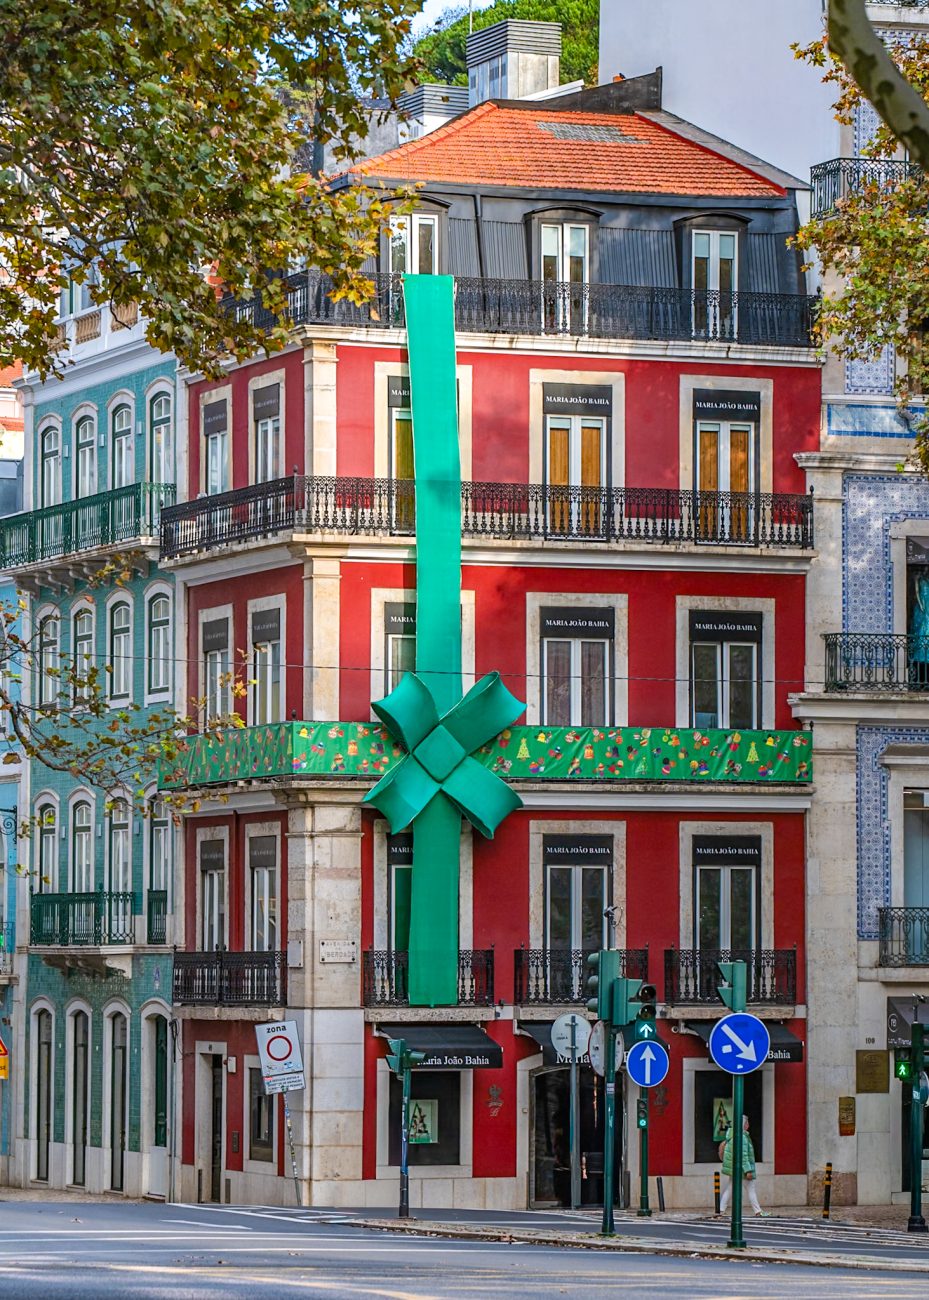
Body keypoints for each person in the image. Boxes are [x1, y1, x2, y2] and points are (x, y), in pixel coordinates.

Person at [718, 1116, 768, 1216]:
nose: (748, 1125)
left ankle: (720, 1210)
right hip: (741, 1169)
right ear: (743, 1125)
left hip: (735, 1168)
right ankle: (758, 1211)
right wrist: (747, 1170)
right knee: (751, 1189)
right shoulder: (742, 1137)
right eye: (747, 1123)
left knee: (730, 1188)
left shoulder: (732, 1136)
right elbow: (743, 1155)